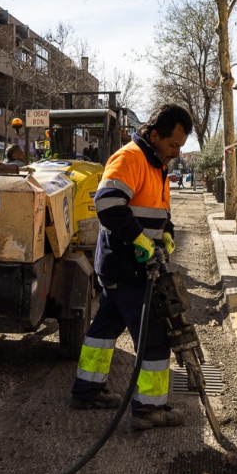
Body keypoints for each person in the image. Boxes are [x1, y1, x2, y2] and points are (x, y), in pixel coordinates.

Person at [69, 103, 193, 431]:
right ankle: (150, 409)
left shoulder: (157, 165)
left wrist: (166, 236)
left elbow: (158, 213)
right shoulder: (130, 158)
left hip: (127, 268)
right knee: (154, 336)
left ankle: (86, 391)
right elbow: (108, 205)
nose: (176, 152)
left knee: (103, 331)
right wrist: (140, 243)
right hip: (128, 269)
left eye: (180, 146)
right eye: (173, 145)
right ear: (154, 135)